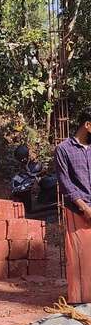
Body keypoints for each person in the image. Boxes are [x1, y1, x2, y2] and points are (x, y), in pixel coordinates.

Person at [55, 109, 91, 304]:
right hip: (78, 209)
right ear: (87, 125)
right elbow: (65, 182)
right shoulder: (63, 149)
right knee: (79, 256)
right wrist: (84, 208)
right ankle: (79, 300)